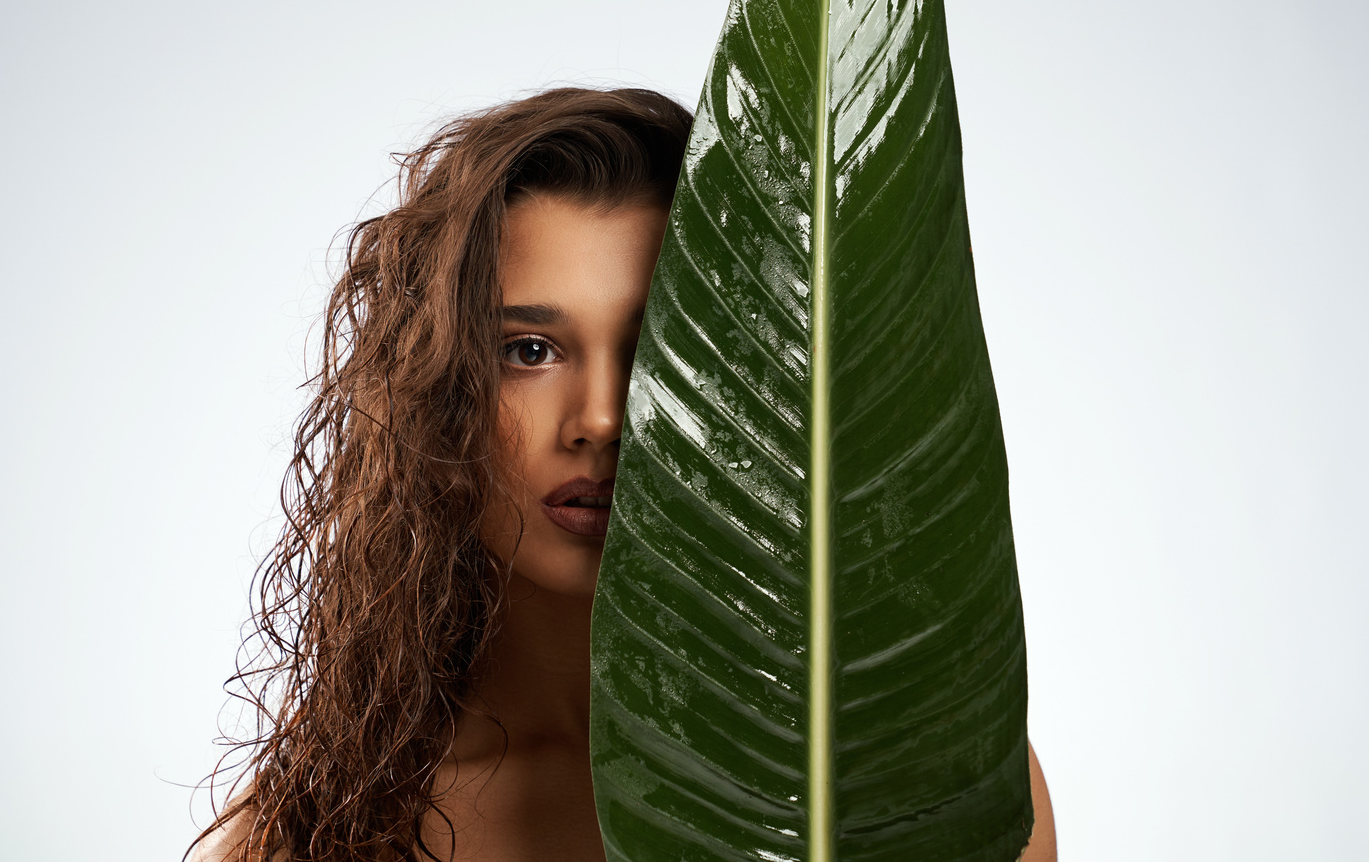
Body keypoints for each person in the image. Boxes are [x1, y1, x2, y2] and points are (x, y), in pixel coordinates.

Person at [190, 87, 1055, 861]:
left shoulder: (924, 774)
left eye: (659, 351)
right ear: (436, 394)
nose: (602, 417)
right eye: (528, 351)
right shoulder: (319, 823)